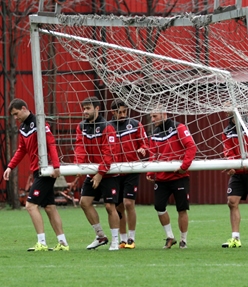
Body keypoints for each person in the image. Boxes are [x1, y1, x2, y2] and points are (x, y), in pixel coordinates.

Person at [3, 98, 69, 252]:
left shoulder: (40, 123)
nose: (15, 118)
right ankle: (63, 243)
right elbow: (21, 149)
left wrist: (56, 166)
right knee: (49, 207)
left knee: (30, 205)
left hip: (45, 171)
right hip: (37, 171)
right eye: (13, 115)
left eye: (16, 114)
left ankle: (42, 243)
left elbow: (51, 143)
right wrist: (10, 166)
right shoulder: (23, 128)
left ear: (24, 108)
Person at [75, 96, 121, 251]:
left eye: (88, 108)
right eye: (83, 108)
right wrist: (78, 167)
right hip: (92, 173)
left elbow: (109, 153)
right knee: (84, 202)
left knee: (109, 206)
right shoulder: (81, 126)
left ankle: (115, 240)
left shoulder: (107, 127)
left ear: (97, 109)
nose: (85, 111)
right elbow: (80, 147)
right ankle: (100, 236)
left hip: (108, 174)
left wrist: (100, 173)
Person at [146, 108, 196, 249]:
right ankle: (170, 237)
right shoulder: (154, 134)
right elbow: (153, 155)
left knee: (181, 209)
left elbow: (191, 146)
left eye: (155, 116)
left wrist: (184, 166)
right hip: (161, 178)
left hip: (179, 176)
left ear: (164, 114)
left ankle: (183, 240)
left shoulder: (178, 127)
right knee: (159, 207)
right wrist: (150, 171)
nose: (153, 119)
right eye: (151, 117)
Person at [109, 99, 148, 249]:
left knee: (128, 203)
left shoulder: (136, 124)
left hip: (132, 169)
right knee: (118, 206)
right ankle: (123, 239)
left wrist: (143, 148)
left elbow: (145, 143)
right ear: (113, 112)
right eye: (119, 112)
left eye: (125, 111)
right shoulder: (108, 127)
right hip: (115, 171)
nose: (123, 115)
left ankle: (132, 238)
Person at [221, 110, 248, 248]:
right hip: (238, 173)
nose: (227, 110)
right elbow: (227, 151)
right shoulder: (227, 131)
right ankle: (235, 238)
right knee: (232, 202)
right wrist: (231, 164)